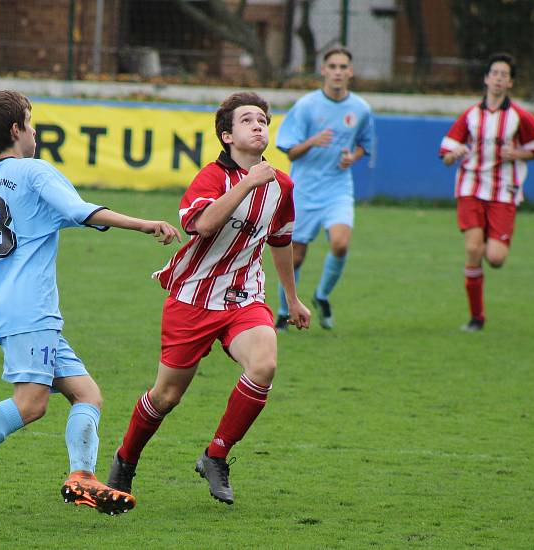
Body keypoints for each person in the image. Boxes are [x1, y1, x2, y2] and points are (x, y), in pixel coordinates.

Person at [0, 90, 180, 521]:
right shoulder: (34, 172)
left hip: (8, 311)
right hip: (29, 310)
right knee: (31, 403)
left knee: (87, 394)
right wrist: (143, 224)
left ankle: (82, 475)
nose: (34, 132)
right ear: (17, 130)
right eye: (30, 124)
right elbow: (80, 210)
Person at [105, 92, 311, 505]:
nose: (258, 126)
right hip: (193, 299)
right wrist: (248, 183)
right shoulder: (213, 178)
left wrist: (292, 298)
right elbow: (202, 224)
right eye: (247, 120)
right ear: (227, 135)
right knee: (166, 397)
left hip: (244, 296)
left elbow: (281, 240)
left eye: (263, 121)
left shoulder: (282, 185)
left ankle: (216, 455)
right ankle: (125, 460)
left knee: (265, 363)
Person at [439, 53, 534, 331]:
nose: (498, 78)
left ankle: (490, 234)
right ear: (486, 79)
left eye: (504, 74)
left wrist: (518, 152)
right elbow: (446, 153)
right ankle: (477, 318)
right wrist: (456, 153)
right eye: (494, 73)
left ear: (510, 82)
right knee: (473, 249)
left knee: (496, 259)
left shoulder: (519, 117)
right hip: (471, 187)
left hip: (503, 191)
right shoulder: (471, 116)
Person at [274, 46, 375, 331]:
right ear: (323, 70)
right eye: (333, 66)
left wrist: (351, 158)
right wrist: (312, 141)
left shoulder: (361, 109)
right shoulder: (306, 106)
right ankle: (284, 310)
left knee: (341, 244)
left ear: (350, 72)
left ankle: (322, 296)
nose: (338, 72)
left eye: (343, 67)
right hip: (305, 189)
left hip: (338, 187)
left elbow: (364, 145)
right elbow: (291, 152)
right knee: (297, 255)